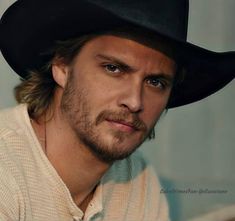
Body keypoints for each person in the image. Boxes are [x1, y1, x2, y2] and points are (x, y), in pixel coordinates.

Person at [0, 0, 234, 221]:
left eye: (156, 82)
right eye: (113, 68)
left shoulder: (137, 177)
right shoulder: (6, 167)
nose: (134, 102)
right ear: (62, 67)